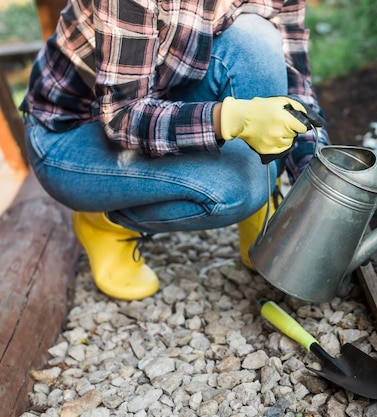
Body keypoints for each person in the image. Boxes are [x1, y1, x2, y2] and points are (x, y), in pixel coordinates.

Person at [20, 0, 329, 301]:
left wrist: (317, 180)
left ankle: (261, 211)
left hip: (163, 93)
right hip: (72, 136)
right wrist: (234, 118)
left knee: (256, 39)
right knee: (237, 188)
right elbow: (122, 118)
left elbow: (293, 82)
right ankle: (106, 223)